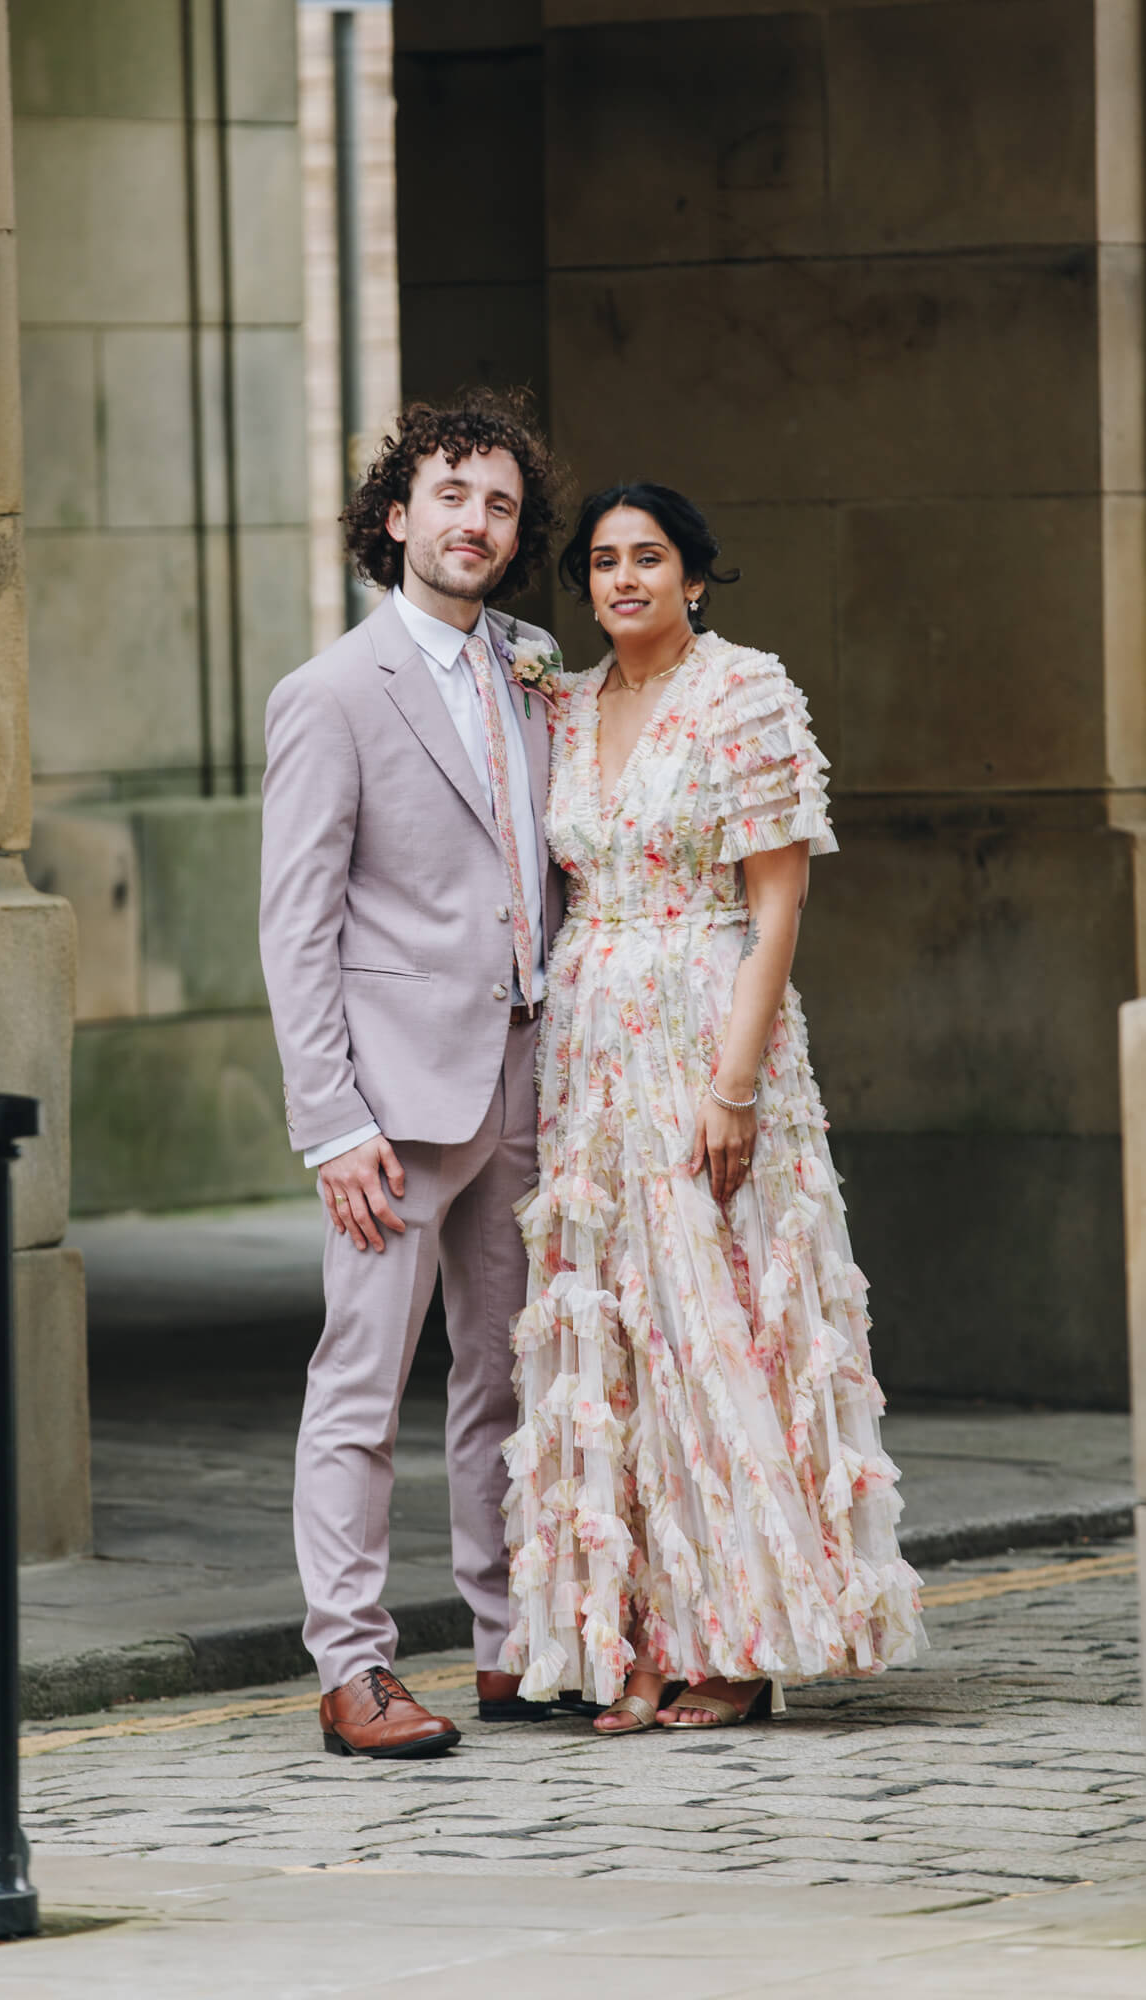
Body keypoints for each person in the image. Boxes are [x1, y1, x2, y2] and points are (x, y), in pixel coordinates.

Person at [499, 483, 926, 1733]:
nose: (622, 577)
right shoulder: (567, 705)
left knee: (713, 1316)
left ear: (696, 576)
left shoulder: (746, 692)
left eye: (649, 557)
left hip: (705, 1028)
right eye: (600, 561)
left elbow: (778, 908)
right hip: (590, 1056)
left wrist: (733, 1085)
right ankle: (641, 1637)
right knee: (617, 1332)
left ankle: (736, 1634)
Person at [259, 392, 566, 1757]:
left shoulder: (539, 665)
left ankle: (508, 1648)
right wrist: (332, 1125)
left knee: (506, 1380)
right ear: (397, 517)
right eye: (451, 495)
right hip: (389, 1109)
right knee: (362, 1384)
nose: (475, 523)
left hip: (529, 1086)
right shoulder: (330, 694)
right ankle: (353, 1669)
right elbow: (295, 926)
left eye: (498, 503)